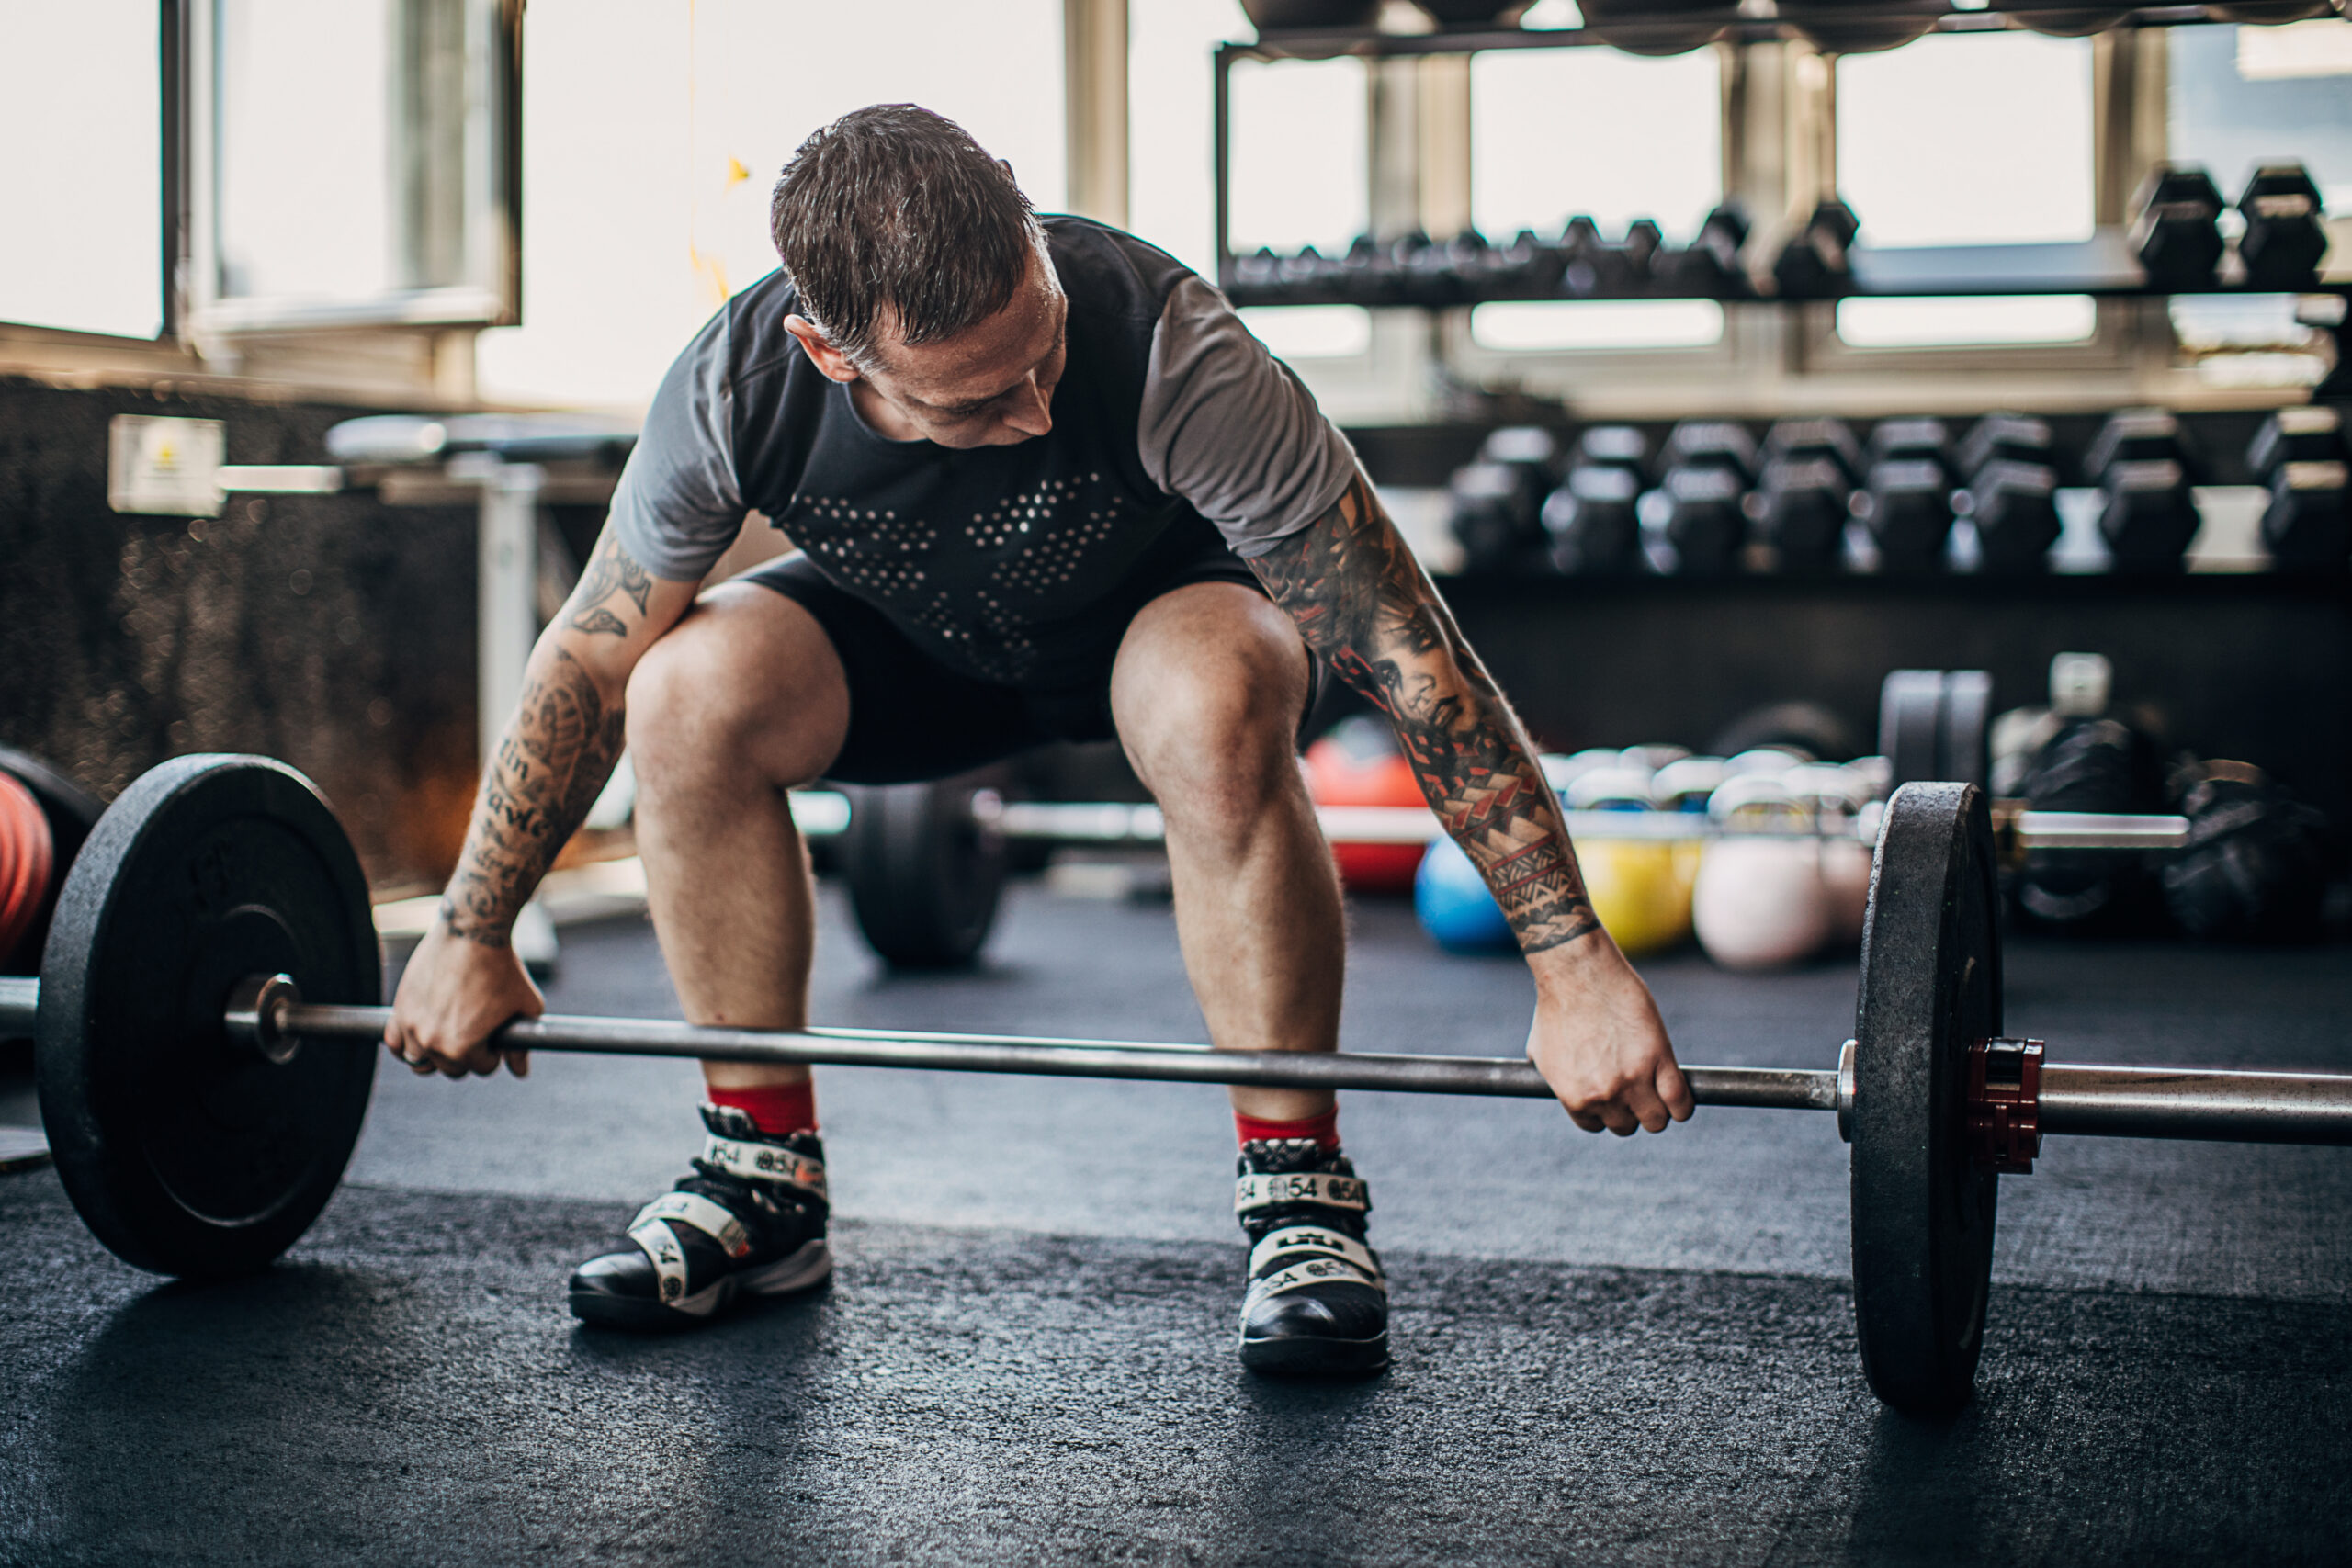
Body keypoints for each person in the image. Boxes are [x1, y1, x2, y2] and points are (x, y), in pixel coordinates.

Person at [386, 104, 1690, 1375]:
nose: (1034, 411)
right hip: (920, 652)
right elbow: (588, 661)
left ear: (1021, 207)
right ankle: (761, 1176)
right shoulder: (737, 390)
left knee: (1213, 694)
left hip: (1162, 635)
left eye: (1043, 349)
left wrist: (1570, 961)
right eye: (974, 402)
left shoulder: (1173, 347)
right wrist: (470, 928)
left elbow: (1414, 657)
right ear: (833, 355)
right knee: (682, 687)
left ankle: (1300, 1198)